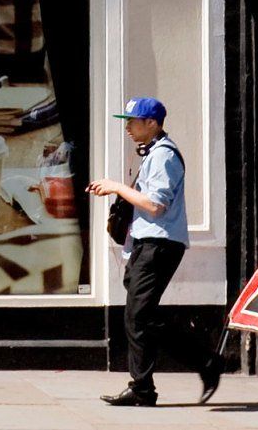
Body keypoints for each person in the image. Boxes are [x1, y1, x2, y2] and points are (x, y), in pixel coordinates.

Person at [89, 96, 206, 408]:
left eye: (133, 121)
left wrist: (116, 187)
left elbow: (156, 205)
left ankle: (143, 389)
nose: (127, 127)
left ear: (152, 123)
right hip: (147, 243)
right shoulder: (153, 154)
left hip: (160, 243)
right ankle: (204, 361)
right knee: (142, 315)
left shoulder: (164, 156)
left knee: (137, 316)